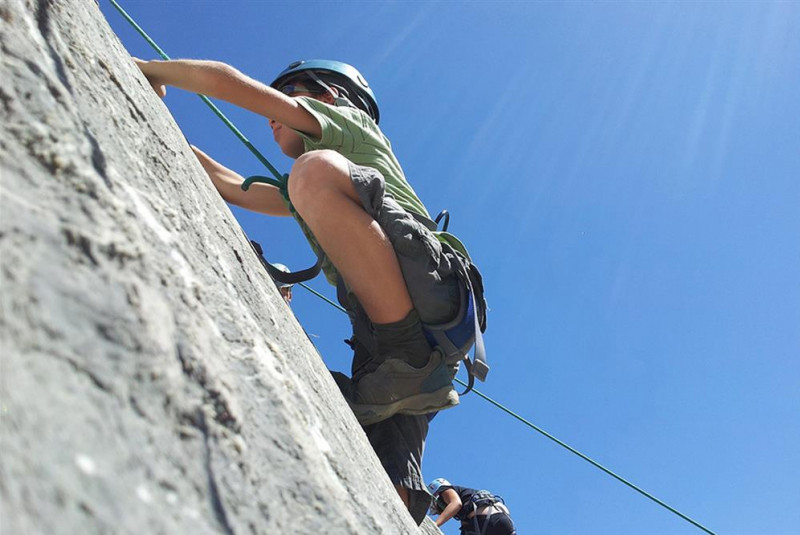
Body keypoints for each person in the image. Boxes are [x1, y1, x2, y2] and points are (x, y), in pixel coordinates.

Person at [135, 57, 477, 523]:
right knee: (388, 459)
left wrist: (149, 69)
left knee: (311, 172)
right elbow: (232, 187)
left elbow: (235, 87)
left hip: (427, 285)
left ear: (330, 97)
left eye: (291, 94)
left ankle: (405, 356)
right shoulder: (311, 184)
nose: (272, 117)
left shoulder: (351, 130)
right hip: (406, 342)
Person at [428, 478, 516, 535]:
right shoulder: (467, 498)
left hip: (486, 521)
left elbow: (456, 504)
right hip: (505, 522)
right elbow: (465, 526)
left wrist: (434, 525)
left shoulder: (443, 490)